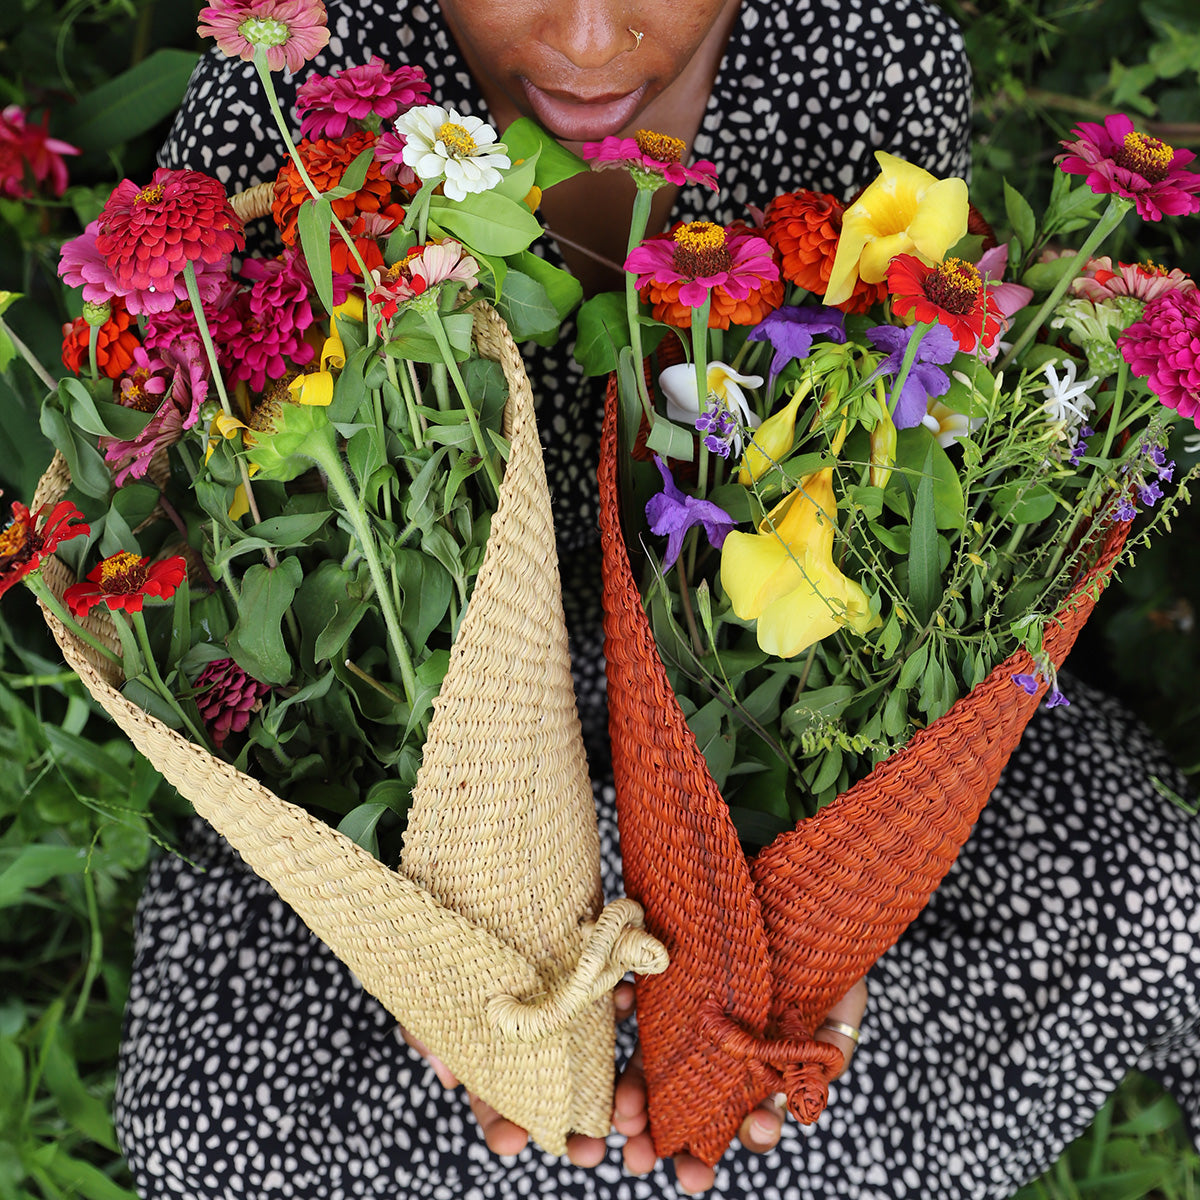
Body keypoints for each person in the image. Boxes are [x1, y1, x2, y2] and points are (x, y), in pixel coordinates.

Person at [115, 0, 1200, 1196]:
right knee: (216, 1121)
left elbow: (902, 442)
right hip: (414, 724)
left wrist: (826, 912)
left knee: (1149, 897)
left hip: (766, 679)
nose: (586, 38)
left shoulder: (864, 51)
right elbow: (243, 538)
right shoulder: (295, 89)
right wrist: (412, 944)